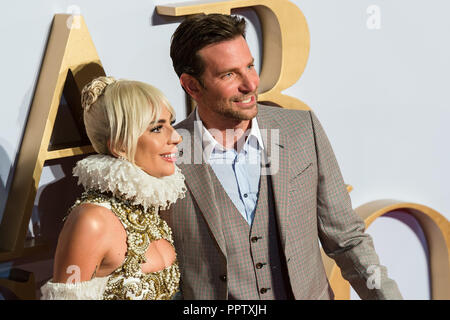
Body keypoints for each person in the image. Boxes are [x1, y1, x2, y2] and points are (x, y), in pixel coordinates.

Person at [167, 14, 402, 300]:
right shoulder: (166, 154)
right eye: (229, 74)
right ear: (192, 86)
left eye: (250, 66)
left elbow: (348, 240)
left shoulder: (301, 130)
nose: (250, 83)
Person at [40, 77, 185, 300]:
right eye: (157, 128)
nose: (176, 137)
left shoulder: (149, 208)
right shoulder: (91, 221)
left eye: (171, 124)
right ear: (120, 146)